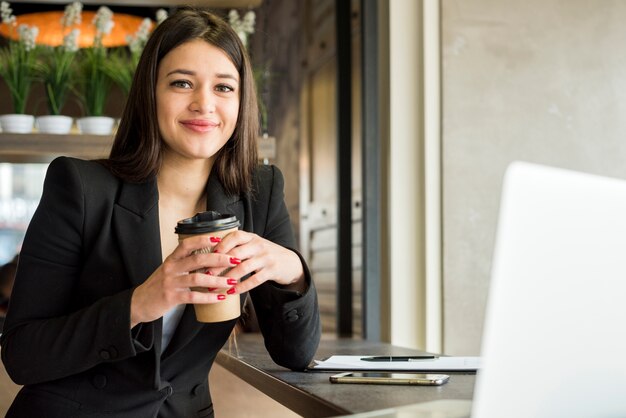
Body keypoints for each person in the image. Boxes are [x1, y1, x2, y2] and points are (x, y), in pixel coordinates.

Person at [0, 8, 321, 418]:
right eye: (181, 83)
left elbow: (296, 353)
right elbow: (22, 354)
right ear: (150, 92)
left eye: (224, 87)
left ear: (242, 102)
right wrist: (139, 303)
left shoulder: (260, 193)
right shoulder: (79, 187)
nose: (204, 104)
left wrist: (291, 269)